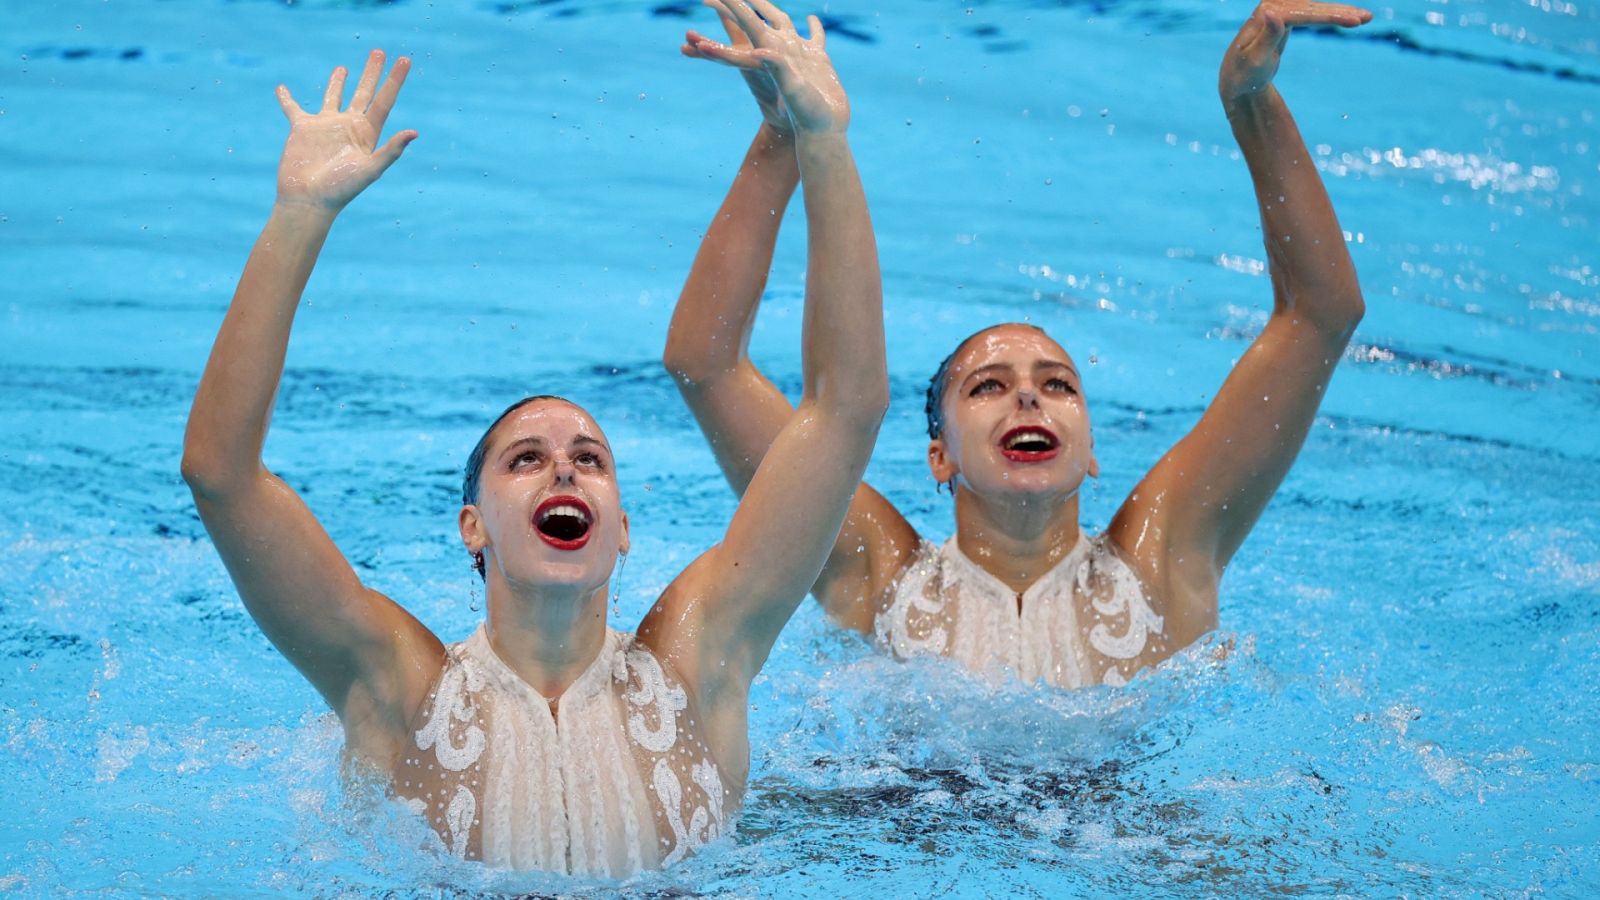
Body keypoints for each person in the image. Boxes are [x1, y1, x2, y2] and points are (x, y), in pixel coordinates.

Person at [181, 0, 886, 874]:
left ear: (622, 526)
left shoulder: (703, 662)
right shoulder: (396, 689)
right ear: (473, 525)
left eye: (590, 458)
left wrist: (820, 138)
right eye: (527, 459)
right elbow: (220, 477)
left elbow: (844, 412)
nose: (565, 469)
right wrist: (297, 219)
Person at [666, 0, 1371, 688]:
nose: (1030, 394)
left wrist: (1250, 101)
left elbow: (1321, 317)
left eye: (1059, 383)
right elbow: (706, 365)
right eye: (988, 385)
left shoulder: (1164, 555)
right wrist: (780, 141)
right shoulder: (871, 569)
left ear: (1092, 449)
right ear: (939, 456)